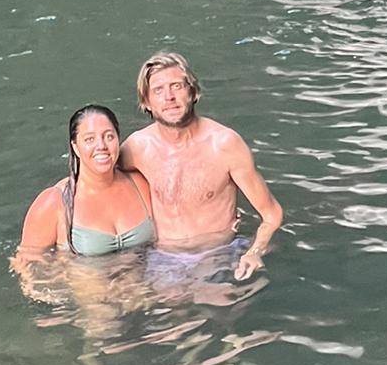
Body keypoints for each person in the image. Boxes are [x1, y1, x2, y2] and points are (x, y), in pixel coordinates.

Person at [120, 51, 282, 281]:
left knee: (218, 310)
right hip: (161, 257)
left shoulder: (225, 144)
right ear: (146, 102)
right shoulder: (137, 147)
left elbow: (272, 214)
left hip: (219, 254)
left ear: (193, 92)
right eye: (158, 90)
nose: (169, 97)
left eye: (176, 86)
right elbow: (93, 180)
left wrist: (254, 252)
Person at [15, 104, 157, 259]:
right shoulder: (54, 203)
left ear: (118, 139)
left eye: (109, 136)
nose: (101, 146)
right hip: (85, 282)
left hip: (146, 283)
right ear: (75, 147)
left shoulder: (140, 184)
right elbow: (26, 266)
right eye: (89, 139)